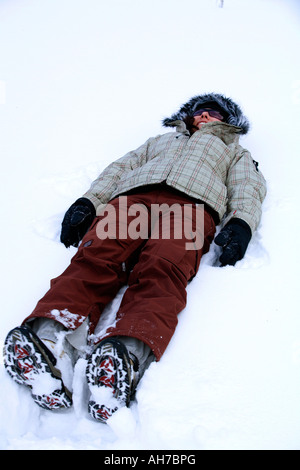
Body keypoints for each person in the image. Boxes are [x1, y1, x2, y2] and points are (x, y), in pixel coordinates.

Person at [4, 93, 267, 423]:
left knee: (163, 267)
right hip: (132, 200)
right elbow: (122, 168)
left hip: (192, 207)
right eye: (198, 112)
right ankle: (52, 342)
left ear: (227, 122)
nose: (203, 116)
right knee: (96, 257)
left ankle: (124, 357)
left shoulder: (234, 151)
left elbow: (247, 187)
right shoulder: (161, 141)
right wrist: (89, 201)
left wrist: (241, 223)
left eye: (212, 113)